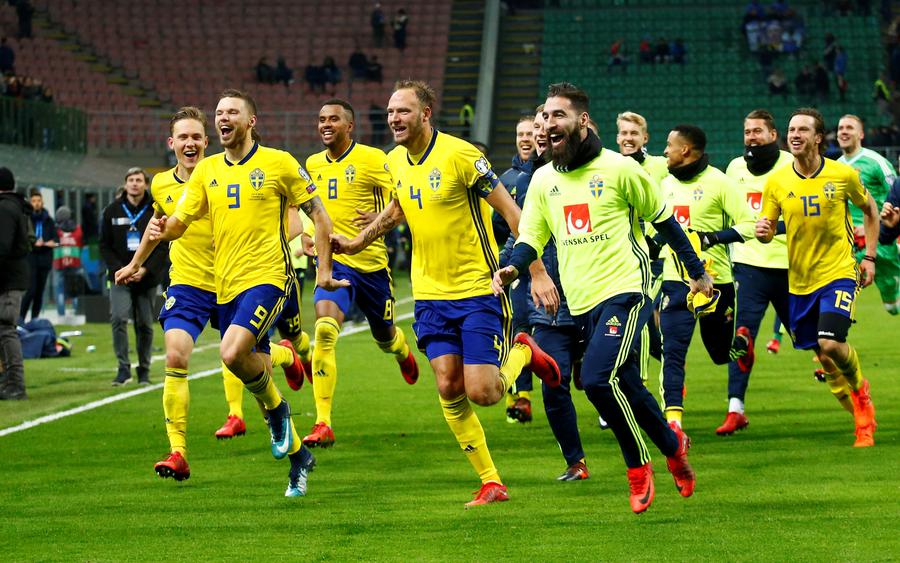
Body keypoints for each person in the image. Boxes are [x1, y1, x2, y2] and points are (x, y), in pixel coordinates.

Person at [330, 79, 562, 508]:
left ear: (425, 113)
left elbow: (514, 214)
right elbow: (399, 207)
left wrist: (537, 272)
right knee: (448, 387)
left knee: (485, 393)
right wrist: (359, 241)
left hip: (477, 288)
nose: (394, 118)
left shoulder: (461, 155)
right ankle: (491, 481)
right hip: (429, 295)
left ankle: (524, 351)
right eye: (390, 112)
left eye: (403, 111)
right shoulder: (395, 160)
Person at [493, 82, 712, 514]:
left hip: (627, 291)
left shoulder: (621, 170)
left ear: (582, 121)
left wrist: (698, 272)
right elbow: (532, 236)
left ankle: (638, 467)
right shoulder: (543, 180)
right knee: (626, 384)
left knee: (595, 379)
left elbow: (666, 223)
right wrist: (515, 267)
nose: (550, 124)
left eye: (559, 116)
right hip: (581, 300)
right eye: (546, 118)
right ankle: (674, 449)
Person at [147, 89, 346, 497]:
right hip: (226, 285)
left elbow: (319, 215)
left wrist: (324, 268)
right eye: (219, 112)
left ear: (250, 121)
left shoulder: (279, 163)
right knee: (248, 362)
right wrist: (158, 232)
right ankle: (296, 456)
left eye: (232, 112)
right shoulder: (206, 172)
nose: (224, 118)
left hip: (270, 278)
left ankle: (278, 413)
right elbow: (179, 224)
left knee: (231, 352)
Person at [116, 107, 311, 481]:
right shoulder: (161, 184)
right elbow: (160, 224)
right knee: (175, 354)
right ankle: (178, 452)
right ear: (171, 144)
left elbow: (287, 220)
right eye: (182, 137)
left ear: (206, 142)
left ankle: (286, 358)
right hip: (188, 282)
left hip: (235, 282)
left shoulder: (223, 173)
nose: (190, 144)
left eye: (196, 137)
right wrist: (137, 262)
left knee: (251, 368)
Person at [299, 99, 420, 448]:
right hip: (335, 262)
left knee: (384, 337)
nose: (326, 124)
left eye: (333, 119)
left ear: (349, 125)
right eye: (321, 119)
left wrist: (380, 217)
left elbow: (406, 195)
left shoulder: (373, 159)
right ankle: (323, 422)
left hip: (372, 266)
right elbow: (313, 207)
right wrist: (309, 234)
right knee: (324, 330)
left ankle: (401, 351)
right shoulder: (312, 164)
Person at [756, 107, 878, 448]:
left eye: (803, 130)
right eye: (791, 128)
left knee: (830, 343)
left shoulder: (842, 175)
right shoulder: (777, 181)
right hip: (800, 280)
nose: (794, 134)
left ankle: (862, 397)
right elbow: (767, 230)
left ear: (817, 138)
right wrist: (763, 231)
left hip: (838, 272)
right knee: (824, 355)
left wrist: (868, 257)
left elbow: (869, 210)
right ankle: (858, 414)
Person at [499, 106, 590, 478]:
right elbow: (517, 234)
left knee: (607, 382)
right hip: (549, 305)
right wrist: (505, 267)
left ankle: (650, 448)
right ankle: (575, 461)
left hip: (595, 297)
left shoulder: (585, 177)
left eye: (545, 126)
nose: (538, 132)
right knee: (554, 383)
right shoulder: (531, 183)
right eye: (534, 127)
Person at [657, 124, 755, 430]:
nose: (665, 151)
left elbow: (750, 224)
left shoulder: (720, 182)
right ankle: (674, 423)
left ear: (685, 150)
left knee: (719, 353)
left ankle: (742, 344)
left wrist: (712, 237)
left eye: (669, 145)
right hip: (676, 281)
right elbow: (654, 229)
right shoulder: (664, 184)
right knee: (672, 351)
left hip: (718, 283)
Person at [717, 109, 793, 435]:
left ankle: (852, 393)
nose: (751, 137)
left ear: (773, 135)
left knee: (815, 342)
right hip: (748, 266)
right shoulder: (734, 167)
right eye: (747, 131)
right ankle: (736, 409)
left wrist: (774, 229)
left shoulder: (790, 164)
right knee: (741, 337)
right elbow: (728, 215)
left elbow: (805, 216)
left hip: (792, 267)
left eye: (758, 131)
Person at [100, 167, 169, 386]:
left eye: (139, 180)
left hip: (147, 278)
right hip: (120, 276)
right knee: (118, 318)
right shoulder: (112, 210)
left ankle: (144, 370)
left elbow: (162, 245)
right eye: (131, 180)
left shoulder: (155, 209)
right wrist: (122, 268)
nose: (135, 183)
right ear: (125, 183)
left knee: (145, 324)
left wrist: (144, 269)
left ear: (146, 184)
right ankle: (123, 369)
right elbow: (104, 245)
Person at [615, 111, 668, 384]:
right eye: (624, 133)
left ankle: (639, 383)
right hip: (619, 257)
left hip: (654, 256)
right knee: (626, 320)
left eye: (634, 133)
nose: (628, 138)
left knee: (642, 315)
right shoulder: (609, 167)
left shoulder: (660, 166)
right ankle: (672, 362)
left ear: (644, 138)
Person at [836, 114, 900, 314]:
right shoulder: (835, 167)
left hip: (880, 242)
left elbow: (896, 195)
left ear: (861, 134)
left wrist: (877, 224)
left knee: (892, 307)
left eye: (849, 128)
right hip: (850, 245)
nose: (844, 131)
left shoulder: (876, 162)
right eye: (840, 128)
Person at [495, 115, 536, 422]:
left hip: (555, 264)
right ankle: (520, 396)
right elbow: (498, 225)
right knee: (517, 326)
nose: (525, 139)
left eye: (530, 133)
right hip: (518, 264)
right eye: (520, 133)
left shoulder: (547, 175)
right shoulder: (505, 180)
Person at [0, 167, 30, 400]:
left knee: (6, 330)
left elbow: (2, 246)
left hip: (7, 280)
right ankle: (8, 381)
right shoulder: (15, 206)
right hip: (12, 278)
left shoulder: (4, 208)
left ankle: (15, 384)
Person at [19, 189, 57, 322]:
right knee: (31, 290)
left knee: (40, 292)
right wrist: (34, 243)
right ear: (30, 202)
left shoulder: (49, 220)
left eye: (38, 201)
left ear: (42, 202)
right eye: (34, 201)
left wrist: (48, 243)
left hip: (45, 259)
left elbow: (55, 239)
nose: (36, 204)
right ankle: (21, 318)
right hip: (31, 258)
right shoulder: (26, 218)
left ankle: (34, 319)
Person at [52, 206, 83, 319]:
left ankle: (61, 314)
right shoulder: (78, 229)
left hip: (59, 262)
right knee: (74, 287)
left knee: (59, 288)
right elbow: (81, 243)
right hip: (74, 261)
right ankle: (76, 311)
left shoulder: (56, 230)